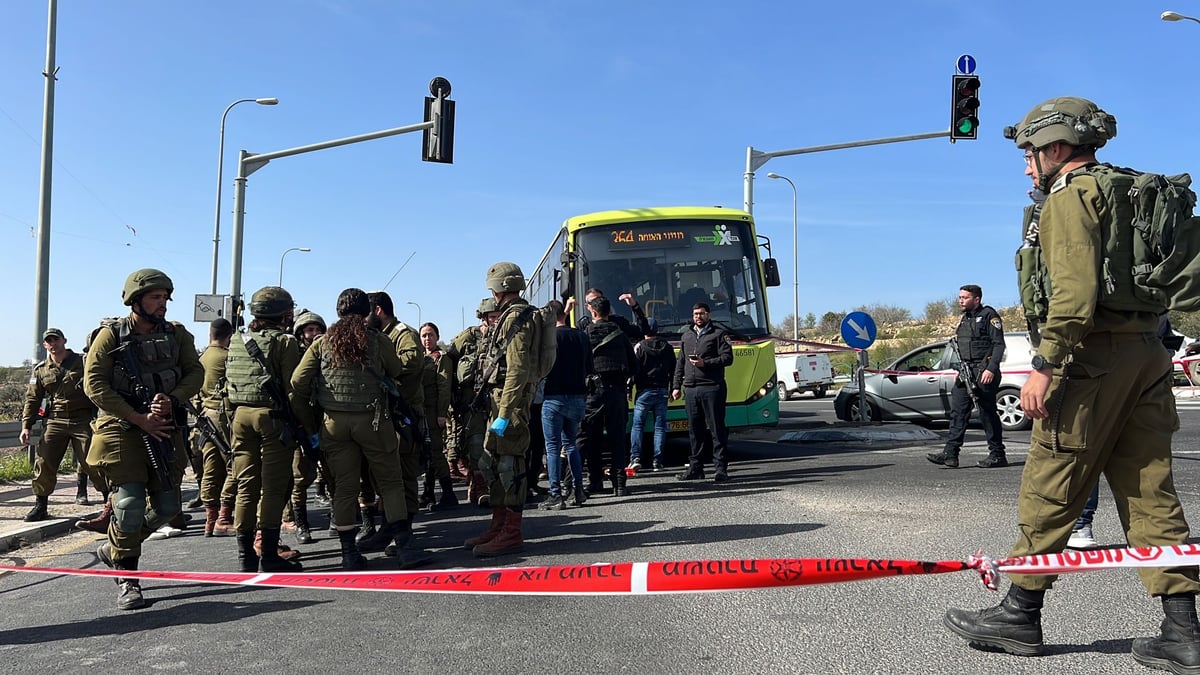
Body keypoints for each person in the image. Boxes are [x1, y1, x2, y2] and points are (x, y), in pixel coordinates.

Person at [943, 96, 1200, 671]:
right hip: (1147, 352)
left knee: (1051, 482)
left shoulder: (1070, 196)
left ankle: (1019, 613)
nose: (1027, 166)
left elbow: (1074, 293)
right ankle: (1183, 632)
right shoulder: (1129, 189)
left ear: (1056, 148)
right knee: (1149, 490)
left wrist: (1045, 363)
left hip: (1090, 359)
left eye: (1030, 154)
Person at [86, 268, 203, 610]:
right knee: (129, 505)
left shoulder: (177, 335)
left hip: (165, 426)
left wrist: (173, 398)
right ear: (135, 300)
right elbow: (94, 384)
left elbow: (196, 372)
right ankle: (128, 580)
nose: (162, 303)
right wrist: (138, 417)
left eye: (165, 297)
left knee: (168, 507)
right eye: (155, 297)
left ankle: (113, 550)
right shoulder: (110, 336)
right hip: (122, 429)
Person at [290, 288, 430, 570]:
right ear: (367, 310)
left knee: (344, 487)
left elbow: (298, 382)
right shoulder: (377, 340)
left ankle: (348, 554)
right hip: (374, 422)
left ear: (338, 311)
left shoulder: (321, 343)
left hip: (334, 425)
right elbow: (394, 370)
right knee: (390, 483)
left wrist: (313, 418)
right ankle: (405, 547)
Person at [224, 286, 303, 573]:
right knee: (272, 487)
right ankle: (268, 555)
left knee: (246, 486)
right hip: (272, 418)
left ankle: (245, 556)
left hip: (240, 417)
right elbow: (293, 388)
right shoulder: (285, 342)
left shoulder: (236, 339)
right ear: (283, 313)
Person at [463, 261, 539, 557]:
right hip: (501, 402)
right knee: (493, 464)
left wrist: (505, 413)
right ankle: (499, 525)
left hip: (511, 405)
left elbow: (517, 370)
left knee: (510, 468)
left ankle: (511, 532)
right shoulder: (511, 315)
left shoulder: (515, 318)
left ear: (499, 288)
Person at [21, 328, 105, 521]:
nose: (53, 343)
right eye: (48, 341)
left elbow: (99, 386)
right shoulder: (41, 370)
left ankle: (109, 502)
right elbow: (32, 399)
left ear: (64, 340)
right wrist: (26, 426)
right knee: (44, 462)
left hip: (82, 419)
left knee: (94, 462)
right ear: (44, 345)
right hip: (55, 420)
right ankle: (40, 506)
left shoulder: (83, 362)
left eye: (55, 339)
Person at [926, 285, 1007, 469]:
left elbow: (998, 345)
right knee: (958, 412)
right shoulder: (965, 319)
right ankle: (950, 454)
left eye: (965, 297)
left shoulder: (989, 316)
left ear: (976, 299)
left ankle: (997, 454)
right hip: (966, 372)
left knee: (987, 413)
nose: (960, 300)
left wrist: (991, 369)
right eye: (960, 297)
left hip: (984, 371)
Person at [366, 291, 424, 543]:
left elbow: (411, 361)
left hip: (404, 412)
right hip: (385, 413)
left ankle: (405, 529)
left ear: (378, 311)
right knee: (386, 473)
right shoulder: (381, 336)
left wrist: (384, 367)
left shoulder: (403, 333)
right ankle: (390, 525)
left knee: (404, 471)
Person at [577, 295, 638, 497]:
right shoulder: (620, 334)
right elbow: (633, 364)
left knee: (590, 437)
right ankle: (619, 484)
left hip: (592, 392)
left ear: (593, 312)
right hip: (617, 391)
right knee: (617, 439)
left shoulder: (585, 334)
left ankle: (594, 481)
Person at [447, 298, 501, 508]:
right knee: (477, 443)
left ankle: (488, 482)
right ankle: (481, 487)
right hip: (472, 401)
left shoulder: (503, 335)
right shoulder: (468, 336)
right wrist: (453, 396)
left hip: (494, 399)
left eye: (498, 317)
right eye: (492, 317)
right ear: (484, 317)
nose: (496, 320)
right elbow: (449, 361)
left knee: (496, 441)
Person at [539, 299, 593, 510]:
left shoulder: (549, 338)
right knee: (571, 444)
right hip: (578, 397)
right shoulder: (581, 336)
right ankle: (578, 489)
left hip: (553, 397)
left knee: (552, 448)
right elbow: (589, 366)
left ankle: (555, 494)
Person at [672, 302, 733, 483]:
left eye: (701, 313)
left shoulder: (719, 334)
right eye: (695, 314)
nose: (698, 317)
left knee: (716, 429)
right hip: (691, 389)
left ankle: (720, 469)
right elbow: (680, 363)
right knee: (694, 430)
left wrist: (704, 363)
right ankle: (695, 468)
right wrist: (676, 386)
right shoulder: (687, 336)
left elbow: (728, 358)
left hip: (712, 387)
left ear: (709, 315)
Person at [195, 318, 237, 537]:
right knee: (235, 465)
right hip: (223, 416)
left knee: (210, 467)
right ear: (229, 335)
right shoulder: (228, 357)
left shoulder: (201, 358)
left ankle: (210, 520)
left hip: (205, 416)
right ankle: (223, 517)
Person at [287, 308, 326, 541]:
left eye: (318, 329)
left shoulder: (330, 352)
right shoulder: (294, 355)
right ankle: (302, 523)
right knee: (300, 476)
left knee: (333, 473)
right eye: (309, 330)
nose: (314, 333)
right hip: (302, 422)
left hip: (326, 419)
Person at [418, 321, 457, 509]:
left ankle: (448, 494)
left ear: (437, 337)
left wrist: (442, 413)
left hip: (434, 412)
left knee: (436, 452)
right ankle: (428, 492)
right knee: (426, 453)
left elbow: (444, 387)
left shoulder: (441, 359)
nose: (427, 339)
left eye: (430, 335)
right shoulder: (421, 359)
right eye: (424, 335)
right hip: (422, 413)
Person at [628, 317, 675, 473]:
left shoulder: (639, 347)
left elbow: (633, 370)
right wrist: (674, 387)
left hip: (644, 392)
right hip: (662, 390)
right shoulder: (667, 347)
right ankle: (658, 461)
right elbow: (673, 369)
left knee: (638, 425)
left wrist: (629, 389)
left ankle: (635, 457)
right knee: (660, 426)